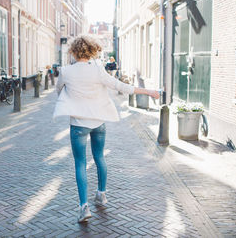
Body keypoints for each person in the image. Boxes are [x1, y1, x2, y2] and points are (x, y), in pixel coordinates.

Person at [53, 35, 160, 223]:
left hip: (78, 125)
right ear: (91, 50)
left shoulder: (66, 71)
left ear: (74, 51)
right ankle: (101, 194)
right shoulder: (97, 70)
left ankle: (83, 207)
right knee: (100, 157)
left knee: (80, 163)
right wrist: (149, 91)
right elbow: (120, 86)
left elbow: (59, 90)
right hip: (98, 123)